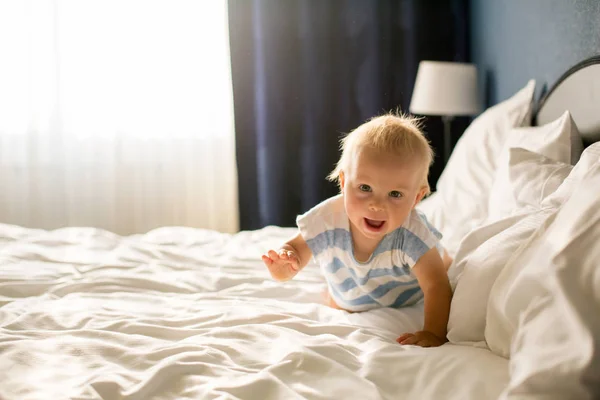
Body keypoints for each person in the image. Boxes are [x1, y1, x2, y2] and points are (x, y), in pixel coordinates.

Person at [261, 113, 452, 348]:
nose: (377, 204)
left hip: (406, 295)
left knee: (441, 266)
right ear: (343, 183)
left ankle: (446, 258)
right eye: (365, 187)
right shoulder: (327, 219)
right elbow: (296, 248)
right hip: (345, 297)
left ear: (416, 198)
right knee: (338, 297)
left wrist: (433, 332)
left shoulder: (411, 233)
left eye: (395, 194)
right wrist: (286, 263)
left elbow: (436, 286)